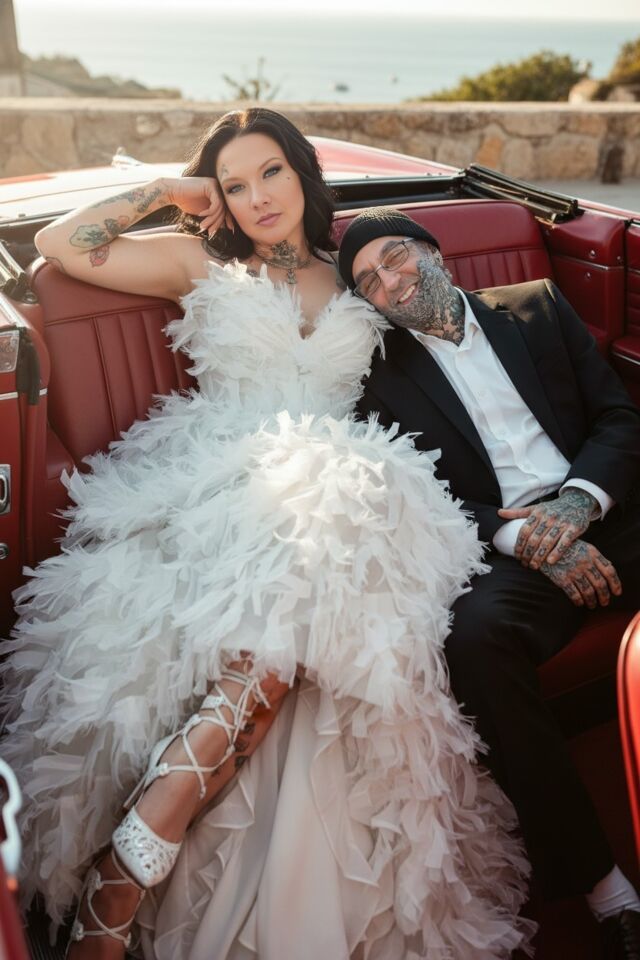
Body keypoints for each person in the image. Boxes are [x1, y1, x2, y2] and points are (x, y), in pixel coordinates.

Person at [0, 111, 533, 960]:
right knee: (298, 559)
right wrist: (165, 190)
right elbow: (61, 245)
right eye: (235, 184)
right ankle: (128, 867)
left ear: (302, 172)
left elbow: (451, 357)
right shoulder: (198, 262)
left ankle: (133, 860)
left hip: (341, 494)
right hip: (224, 479)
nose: (257, 198)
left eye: (271, 173)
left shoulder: (355, 273)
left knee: (324, 526)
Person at [337, 206, 640, 960]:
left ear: (434, 252)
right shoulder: (377, 379)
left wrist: (578, 504)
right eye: (370, 282)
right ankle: (604, 888)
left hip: (600, 506)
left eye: (396, 258)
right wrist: (520, 539)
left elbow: (617, 417)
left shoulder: (536, 305)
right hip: (507, 547)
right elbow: (413, 494)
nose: (390, 283)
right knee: (471, 640)